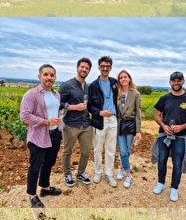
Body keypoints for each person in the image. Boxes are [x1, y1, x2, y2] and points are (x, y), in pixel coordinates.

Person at [151, 71, 186, 202]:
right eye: (174, 80)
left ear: (183, 81)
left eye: (179, 80)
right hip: (164, 135)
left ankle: (174, 188)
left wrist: (182, 127)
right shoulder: (164, 98)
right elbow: (157, 116)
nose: (176, 83)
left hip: (181, 137)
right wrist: (163, 125)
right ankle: (161, 183)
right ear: (170, 82)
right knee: (161, 160)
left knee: (177, 163)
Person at [20, 64, 62, 208]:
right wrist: (46, 122)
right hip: (38, 136)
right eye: (46, 75)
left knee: (49, 163)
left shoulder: (57, 94)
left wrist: (58, 124)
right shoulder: (31, 94)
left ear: (55, 78)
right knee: (35, 167)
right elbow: (24, 116)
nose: (49, 78)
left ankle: (44, 187)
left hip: (54, 134)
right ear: (40, 77)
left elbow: (56, 112)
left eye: (52, 75)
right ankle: (32, 196)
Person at [58, 57, 93, 187]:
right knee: (68, 151)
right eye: (82, 67)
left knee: (86, 151)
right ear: (77, 68)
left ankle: (80, 173)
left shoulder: (88, 88)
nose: (84, 70)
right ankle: (67, 174)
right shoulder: (67, 85)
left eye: (87, 68)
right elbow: (58, 103)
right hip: (70, 124)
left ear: (89, 71)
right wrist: (73, 107)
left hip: (86, 124)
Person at [88, 56, 118, 187]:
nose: (105, 69)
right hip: (99, 121)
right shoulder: (93, 86)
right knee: (98, 149)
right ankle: (98, 172)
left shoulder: (115, 83)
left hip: (113, 120)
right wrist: (100, 112)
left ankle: (109, 174)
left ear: (110, 68)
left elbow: (126, 93)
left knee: (111, 149)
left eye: (108, 66)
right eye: (103, 66)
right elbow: (89, 106)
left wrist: (137, 101)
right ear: (99, 68)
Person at [115, 70, 141, 188]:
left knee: (127, 149)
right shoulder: (116, 93)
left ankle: (121, 166)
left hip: (131, 125)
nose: (123, 79)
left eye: (125, 77)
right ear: (119, 80)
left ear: (129, 78)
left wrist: (138, 131)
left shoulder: (135, 94)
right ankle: (129, 173)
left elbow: (138, 113)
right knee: (123, 150)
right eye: (121, 78)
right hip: (119, 125)